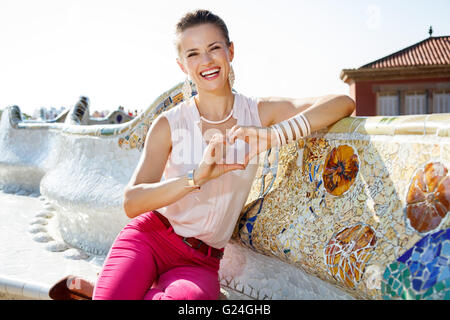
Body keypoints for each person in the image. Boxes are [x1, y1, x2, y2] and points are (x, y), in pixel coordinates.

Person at [49, 9, 355, 300]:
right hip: (150, 238)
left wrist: (272, 136)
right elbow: (132, 202)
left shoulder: (258, 113)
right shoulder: (168, 124)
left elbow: (341, 102)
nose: (205, 60)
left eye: (214, 48)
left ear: (230, 51)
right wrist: (196, 178)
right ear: (182, 65)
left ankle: (102, 292)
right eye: (193, 53)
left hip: (200, 262)